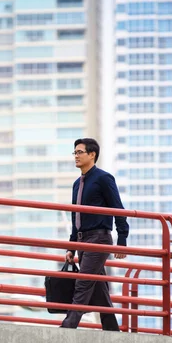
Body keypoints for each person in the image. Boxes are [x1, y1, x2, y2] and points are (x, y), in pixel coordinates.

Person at [61, 138, 129, 331]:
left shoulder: (103, 178)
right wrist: (71, 246)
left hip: (99, 239)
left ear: (92, 155)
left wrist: (122, 240)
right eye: (74, 152)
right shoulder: (77, 184)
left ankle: (67, 328)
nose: (76, 156)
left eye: (80, 152)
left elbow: (118, 208)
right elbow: (76, 216)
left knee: (83, 284)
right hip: (83, 242)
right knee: (99, 291)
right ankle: (112, 332)